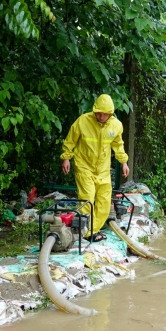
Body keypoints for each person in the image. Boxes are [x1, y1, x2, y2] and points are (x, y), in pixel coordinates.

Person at [61, 94, 129, 241]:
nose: (102, 116)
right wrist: (66, 157)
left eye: (105, 114)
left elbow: (118, 144)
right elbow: (70, 140)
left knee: (104, 204)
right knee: (87, 201)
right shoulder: (83, 121)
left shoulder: (116, 125)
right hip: (84, 166)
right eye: (99, 113)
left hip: (103, 170)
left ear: (110, 114)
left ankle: (92, 231)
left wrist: (123, 162)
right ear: (95, 110)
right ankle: (86, 233)